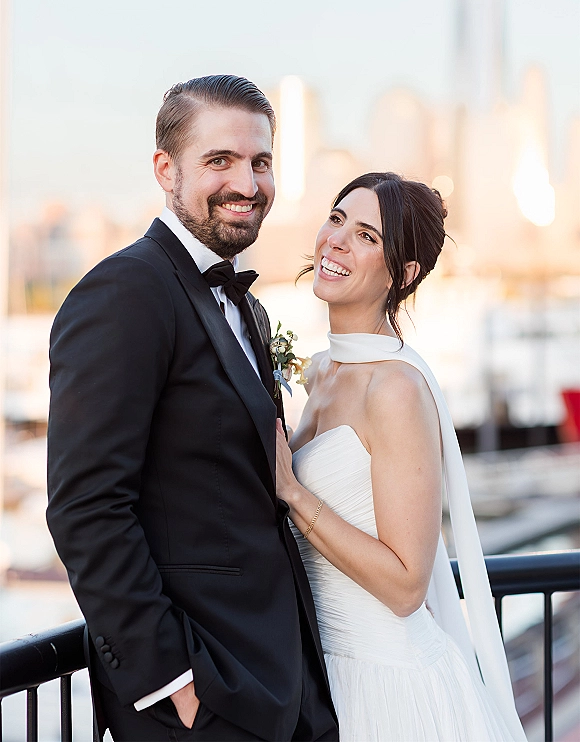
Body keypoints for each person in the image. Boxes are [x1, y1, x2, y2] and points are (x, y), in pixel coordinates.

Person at [46, 75, 338, 742]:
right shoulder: (125, 293)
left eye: (260, 162)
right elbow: (85, 508)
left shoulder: (245, 306)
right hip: (206, 702)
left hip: (281, 686)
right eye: (221, 161)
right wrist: (176, 682)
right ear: (166, 169)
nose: (248, 182)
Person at [275, 172, 527, 742]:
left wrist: (292, 491)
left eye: (367, 236)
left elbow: (407, 585)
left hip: (389, 686)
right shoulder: (321, 372)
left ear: (403, 274)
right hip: (323, 678)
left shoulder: (394, 390)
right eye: (337, 219)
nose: (336, 241)